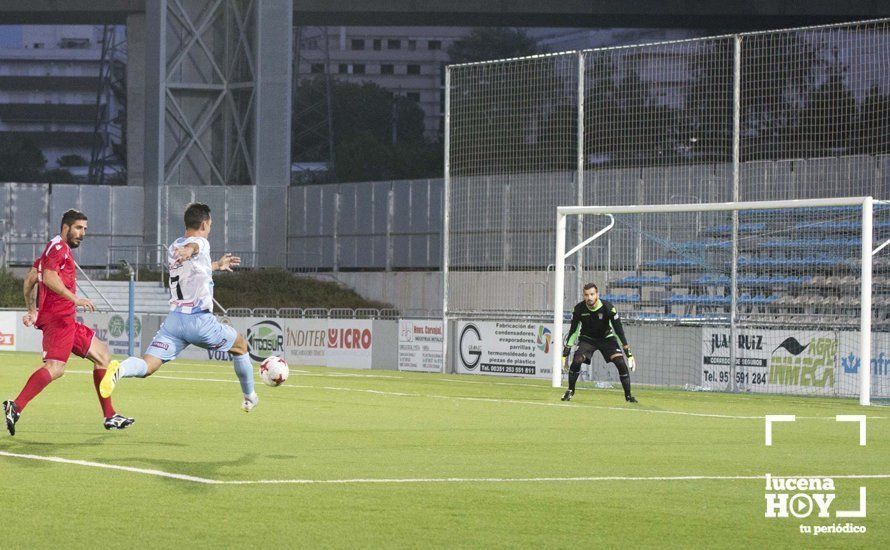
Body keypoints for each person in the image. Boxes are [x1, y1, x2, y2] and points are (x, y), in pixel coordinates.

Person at [100, 202, 258, 412]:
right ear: (203, 224)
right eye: (210, 225)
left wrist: (217, 265)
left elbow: (196, 267)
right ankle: (250, 397)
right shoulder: (200, 242)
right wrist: (191, 249)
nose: (210, 229)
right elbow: (196, 247)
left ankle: (119, 369)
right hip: (200, 322)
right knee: (240, 346)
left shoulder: (175, 246)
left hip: (174, 322)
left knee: (148, 365)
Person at [3, 209, 135, 436]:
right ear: (65, 227)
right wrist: (75, 299)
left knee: (102, 355)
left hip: (65, 319)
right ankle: (16, 406)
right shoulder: (57, 249)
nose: (82, 233)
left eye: (85, 229)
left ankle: (110, 416)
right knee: (56, 369)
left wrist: (32, 310)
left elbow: (30, 279)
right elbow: (51, 278)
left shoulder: (51, 248)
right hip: (59, 320)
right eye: (78, 228)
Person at [561, 282, 638, 403]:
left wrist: (628, 353)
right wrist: (565, 352)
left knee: (620, 362)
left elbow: (619, 331)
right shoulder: (579, 309)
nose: (589, 297)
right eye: (586, 295)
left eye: (592, 294)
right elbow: (573, 331)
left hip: (606, 338)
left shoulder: (608, 308)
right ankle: (570, 390)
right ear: (583, 295)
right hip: (587, 339)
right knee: (577, 360)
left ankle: (628, 396)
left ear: (597, 294)